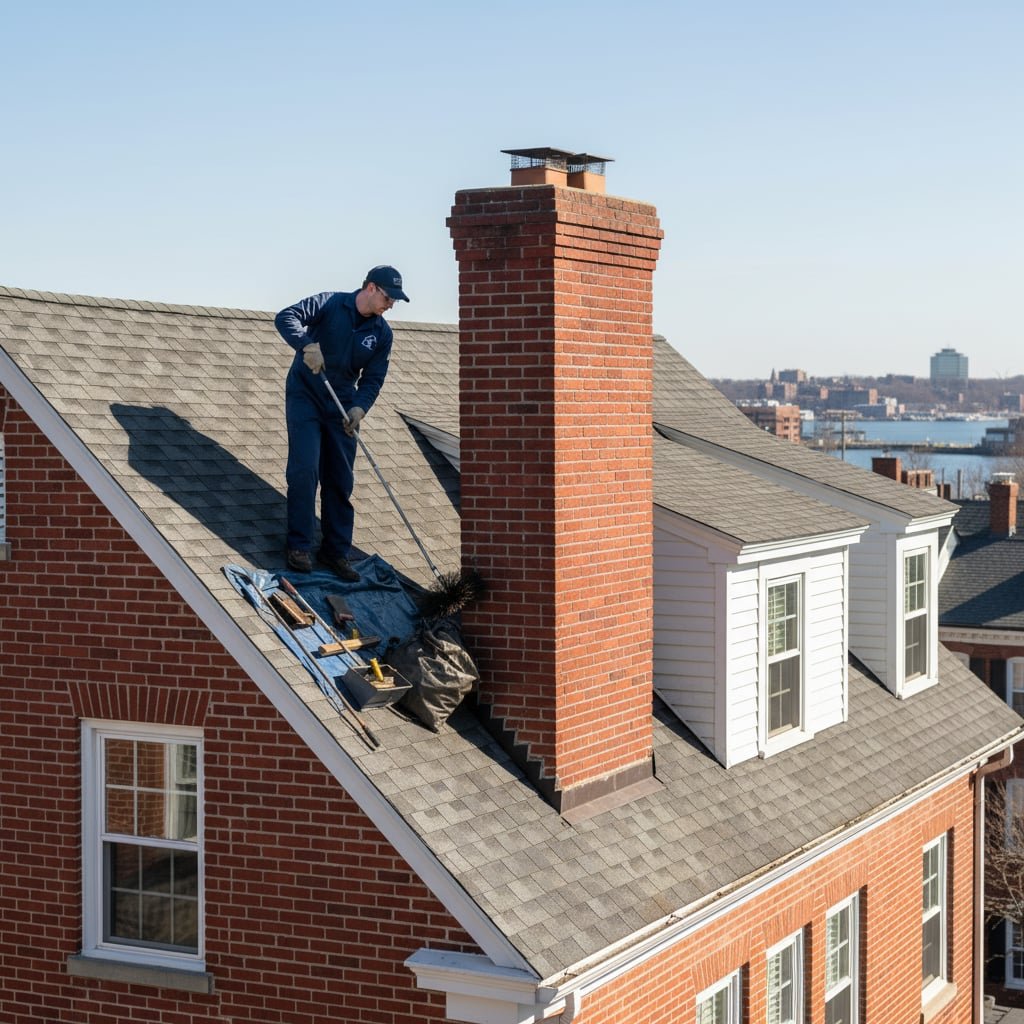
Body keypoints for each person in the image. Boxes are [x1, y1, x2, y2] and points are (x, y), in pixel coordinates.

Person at [275, 265, 409, 581]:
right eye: (389, 298)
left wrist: (360, 408)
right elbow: (286, 317)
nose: (391, 306)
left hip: (343, 404)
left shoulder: (382, 334)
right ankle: (299, 547)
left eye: (395, 302)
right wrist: (306, 345)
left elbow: (374, 378)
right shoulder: (330, 303)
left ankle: (335, 552)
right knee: (305, 471)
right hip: (306, 395)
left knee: (340, 478)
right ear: (372, 288)